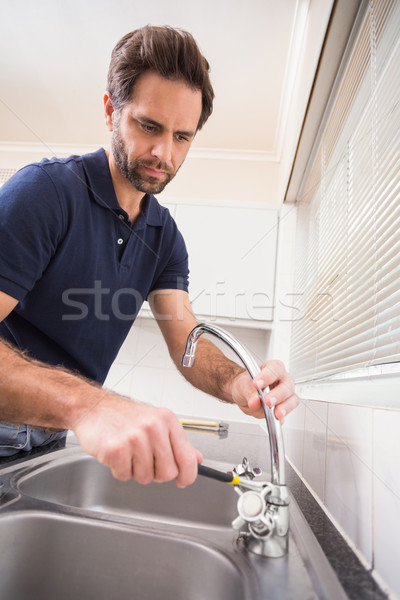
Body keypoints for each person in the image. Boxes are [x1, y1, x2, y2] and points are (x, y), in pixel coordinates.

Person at [0, 25, 299, 486]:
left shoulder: (165, 238)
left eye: (183, 136)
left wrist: (241, 382)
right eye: (149, 126)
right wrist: (91, 405)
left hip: (50, 440)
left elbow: (188, 346)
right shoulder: (44, 193)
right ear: (109, 111)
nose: (164, 153)